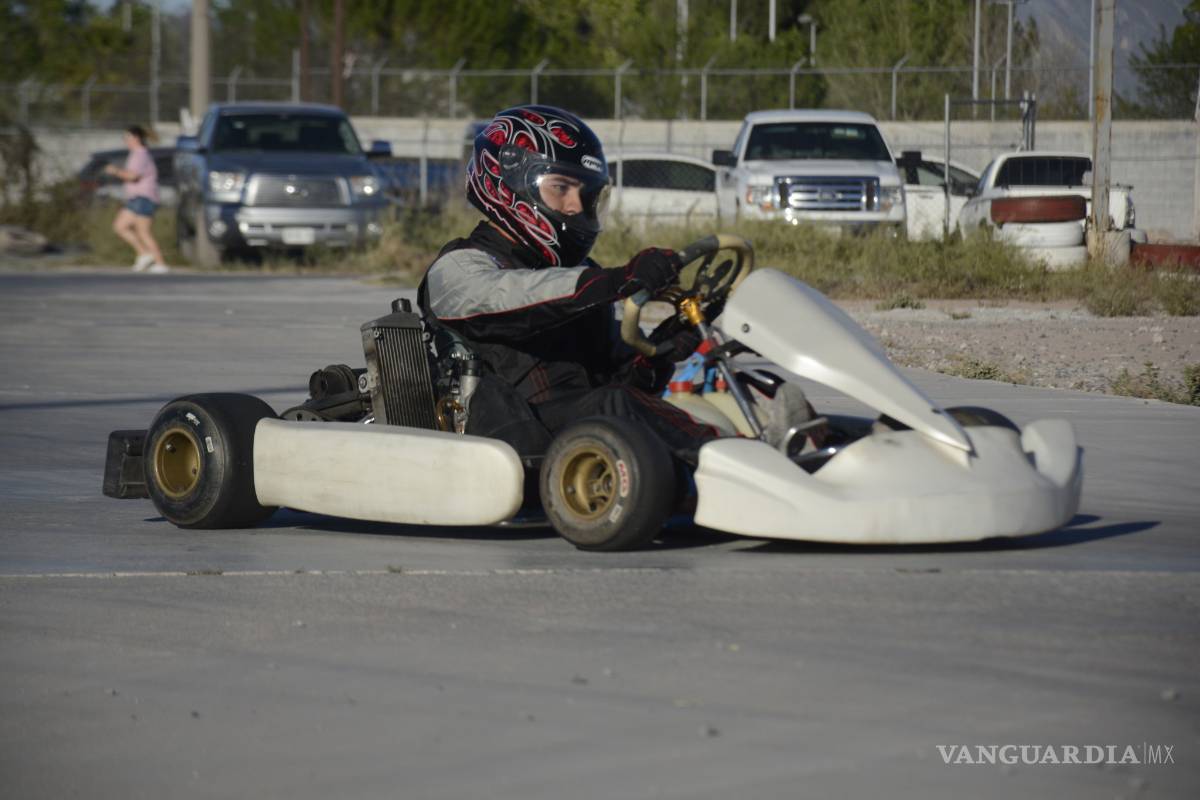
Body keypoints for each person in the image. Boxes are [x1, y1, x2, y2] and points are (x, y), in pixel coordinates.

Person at [417, 105, 723, 465]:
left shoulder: (579, 276)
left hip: (576, 438)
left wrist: (660, 351)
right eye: (561, 188)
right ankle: (729, 462)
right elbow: (516, 294)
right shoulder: (458, 266)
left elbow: (623, 384)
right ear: (510, 183)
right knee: (614, 406)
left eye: (584, 193)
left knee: (652, 402)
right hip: (510, 439)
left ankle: (766, 445)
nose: (576, 206)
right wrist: (614, 280)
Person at [106, 125, 168, 273]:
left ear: (136, 138)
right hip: (136, 198)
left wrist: (115, 171)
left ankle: (160, 263)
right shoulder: (136, 154)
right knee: (120, 226)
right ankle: (144, 254)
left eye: (127, 137)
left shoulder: (140, 155)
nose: (125, 140)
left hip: (144, 197)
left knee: (143, 231)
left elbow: (133, 176)